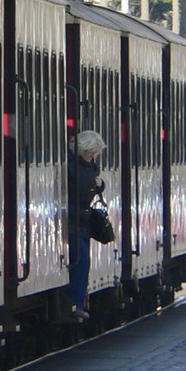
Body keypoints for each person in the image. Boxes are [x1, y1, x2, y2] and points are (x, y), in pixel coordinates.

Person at [66, 130, 106, 320]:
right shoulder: (71, 165)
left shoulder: (90, 166)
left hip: (84, 221)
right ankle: (75, 302)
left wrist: (100, 185)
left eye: (95, 154)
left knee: (83, 260)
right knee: (80, 260)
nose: (93, 157)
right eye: (91, 152)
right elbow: (79, 187)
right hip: (73, 220)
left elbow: (92, 187)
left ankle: (78, 302)